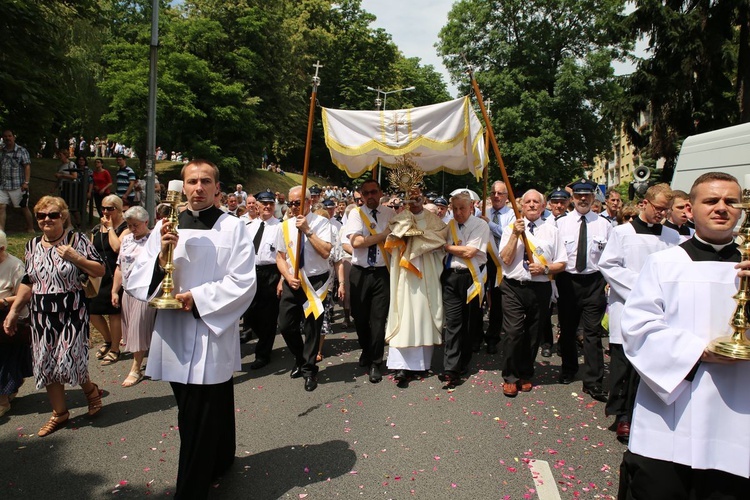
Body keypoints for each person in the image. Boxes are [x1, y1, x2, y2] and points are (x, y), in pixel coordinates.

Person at [126, 160, 256, 498]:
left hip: (210, 328)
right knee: (195, 407)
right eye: (192, 181)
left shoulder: (234, 227)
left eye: (206, 181)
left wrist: (196, 298)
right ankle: (221, 457)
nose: (198, 187)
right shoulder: (165, 227)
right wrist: (158, 261)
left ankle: (191, 489)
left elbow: (243, 281)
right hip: (172, 330)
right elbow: (137, 279)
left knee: (201, 412)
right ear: (183, 187)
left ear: (217, 188)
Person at [618, 172, 750, 498]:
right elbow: (638, 329)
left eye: (730, 201)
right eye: (711, 201)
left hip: (737, 415)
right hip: (671, 416)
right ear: (690, 208)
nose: (721, 208)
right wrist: (699, 352)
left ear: (741, 209)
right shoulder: (664, 263)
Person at [3, 196, 105, 436]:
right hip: (41, 314)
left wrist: (76, 258)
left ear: (63, 216)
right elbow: (28, 283)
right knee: (47, 363)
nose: (47, 219)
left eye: (53, 215)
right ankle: (60, 413)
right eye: (41, 215)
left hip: (72, 310)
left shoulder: (76, 240)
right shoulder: (32, 246)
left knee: (70, 358)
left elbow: (100, 269)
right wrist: (14, 311)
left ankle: (91, 391)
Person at [598, 184, 681, 442]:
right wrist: (643, 285)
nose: (662, 214)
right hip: (629, 305)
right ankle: (623, 415)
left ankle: (647, 413)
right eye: (658, 209)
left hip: (660, 309)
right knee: (624, 365)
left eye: (666, 210)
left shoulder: (673, 236)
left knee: (651, 364)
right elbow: (608, 264)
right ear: (644, 204)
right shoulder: (623, 232)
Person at [499, 190, 567, 397]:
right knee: (513, 332)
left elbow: (562, 263)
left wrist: (545, 270)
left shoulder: (552, 231)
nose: (531, 205)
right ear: (521, 206)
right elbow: (506, 259)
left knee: (533, 333)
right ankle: (510, 376)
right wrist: (514, 235)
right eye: (527, 202)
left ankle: (526, 373)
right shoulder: (511, 228)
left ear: (543, 206)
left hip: (539, 287)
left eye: (535, 202)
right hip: (513, 286)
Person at [554, 179, 612, 401]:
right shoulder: (561, 224)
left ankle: (593, 381)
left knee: (592, 333)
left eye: (587, 195)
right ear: (573, 198)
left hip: (594, 282)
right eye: (579, 196)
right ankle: (569, 368)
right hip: (568, 282)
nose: (583, 199)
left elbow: (609, 256)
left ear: (593, 198)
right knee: (568, 330)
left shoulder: (604, 224)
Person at [385, 187, 447, 387]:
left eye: (417, 196)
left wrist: (418, 236)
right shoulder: (400, 217)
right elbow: (392, 238)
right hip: (405, 274)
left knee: (421, 313)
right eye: (410, 197)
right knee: (404, 314)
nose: (414, 200)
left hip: (425, 274)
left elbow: (439, 238)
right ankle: (401, 365)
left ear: (423, 198)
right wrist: (404, 234)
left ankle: (420, 363)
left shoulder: (434, 220)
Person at [276, 186, 332, 391]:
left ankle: (309, 370)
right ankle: (300, 358)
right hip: (293, 280)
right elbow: (280, 257)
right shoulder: (284, 225)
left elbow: (326, 252)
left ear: (308, 202)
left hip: (315, 281)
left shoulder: (322, 223)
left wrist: (308, 231)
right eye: (290, 203)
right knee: (285, 324)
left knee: (312, 327)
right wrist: (287, 276)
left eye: (297, 202)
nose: (293, 207)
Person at [343, 179, 394, 383]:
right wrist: (382, 236)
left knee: (378, 319)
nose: (370, 196)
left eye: (374, 192)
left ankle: (376, 361)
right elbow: (356, 242)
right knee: (360, 317)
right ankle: (365, 348)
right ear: (361, 196)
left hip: (382, 273)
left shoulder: (390, 214)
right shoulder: (356, 214)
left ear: (380, 192)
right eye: (366, 193)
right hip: (360, 272)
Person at [440, 192, 491, 385]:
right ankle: (450, 368)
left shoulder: (480, 225)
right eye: (455, 209)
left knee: (468, 323)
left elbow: (470, 251)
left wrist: (447, 247)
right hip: (451, 277)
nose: (458, 212)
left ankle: (463, 361)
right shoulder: (449, 226)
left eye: (462, 208)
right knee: (453, 322)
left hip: (471, 278)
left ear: (471, 208)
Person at [111, 206, 155, 387]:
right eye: (129, 225)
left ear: (146, 222)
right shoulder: (127, 239)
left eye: (136, 225)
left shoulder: (154, 240)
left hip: (144, 292)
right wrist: (115, 290)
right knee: (130, 328)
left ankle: (135, 368)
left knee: (138, 328)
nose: (132, 228)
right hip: (128, 291)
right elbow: (120, 266)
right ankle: (153, 357)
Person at [242, 191, 282, 367]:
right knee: (249, 313)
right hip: (250, 272)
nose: (267, 207)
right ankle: (261, 338)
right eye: (264, 203)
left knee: (268, 315)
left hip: (271, 272)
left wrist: (281, 280)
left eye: (271, 204)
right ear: (256, 205)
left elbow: (284, 255)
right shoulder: (248, 227)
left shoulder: (280, 227)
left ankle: (263, 354)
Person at [91, 195, 129, 366]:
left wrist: (111, 228)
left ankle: (115, 348)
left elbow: (117, 248)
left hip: (116, 274)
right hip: (99, 275)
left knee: (113, 313)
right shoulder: (97, 229)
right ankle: (107, 340)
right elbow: (92, 250)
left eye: (110, 208)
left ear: (119, 209)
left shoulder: (125, 228)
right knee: (92, 310)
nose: (105, 212)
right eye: (103, 208)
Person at [480, 181, 516, 354]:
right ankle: (476, 335)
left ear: (506, 197)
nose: (496, 196)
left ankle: (493, 337)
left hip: (500, 263)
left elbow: (507, 234)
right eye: (493, 193)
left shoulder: (512, 214)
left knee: (497, 302)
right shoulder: (483, 213)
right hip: (481, 260)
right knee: (478, 298)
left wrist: (489, 224)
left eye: (500, 193)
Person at [0, 230, 31, 416]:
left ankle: (3, 401)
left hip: (10, 319)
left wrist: (3, 302)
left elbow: (24, 295)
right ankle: (9, 390)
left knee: (3, 359)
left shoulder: (15, 266)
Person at [0, 130, 34, 233]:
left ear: (14, 137)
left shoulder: (21, 150)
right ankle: (1, 231)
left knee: (23, 207)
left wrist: (26, 182)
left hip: (18, 185)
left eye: (9, 136)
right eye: (5, 136)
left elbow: (27, 166)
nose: (7, 138)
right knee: (1, 207)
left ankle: (31, 228)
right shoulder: (2, 151)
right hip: (3, 185)